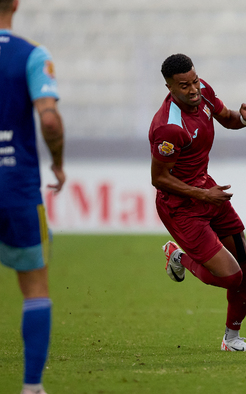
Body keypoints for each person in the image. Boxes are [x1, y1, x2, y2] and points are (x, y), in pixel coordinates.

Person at [149, 54, 246, 352]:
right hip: (180, 206)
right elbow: (159, 179)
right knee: (230, 277)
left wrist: (244, 119)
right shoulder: (168, 128)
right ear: (169, 88)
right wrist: (203, 195)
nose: (193, 89)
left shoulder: (203, 94)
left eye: (195, 81)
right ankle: (178, 256)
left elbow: (227, 118)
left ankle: (232, 339)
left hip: (207, 189)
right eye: (184, 85)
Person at [0, 1, 66, 393]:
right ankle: (31, 387)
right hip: (17, 187)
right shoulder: (33, 54)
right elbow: (50, 119)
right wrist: (57, 162)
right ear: (17, 4)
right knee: (35, 288)